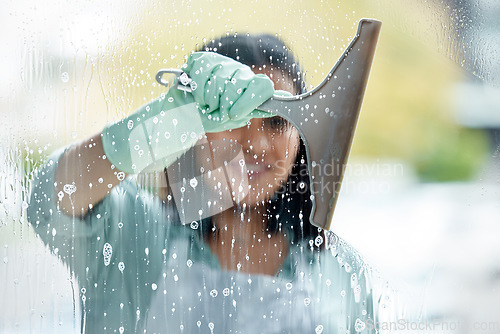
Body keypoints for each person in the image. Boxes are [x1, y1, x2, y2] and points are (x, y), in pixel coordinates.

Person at [28, 34, 385, 333]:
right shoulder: (135, 236)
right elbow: (51, 197)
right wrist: (151, 128)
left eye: (276, 122)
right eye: (234, 118)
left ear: (300, 139)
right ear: (193, 131)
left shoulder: (341, 272)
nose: (256, 145)